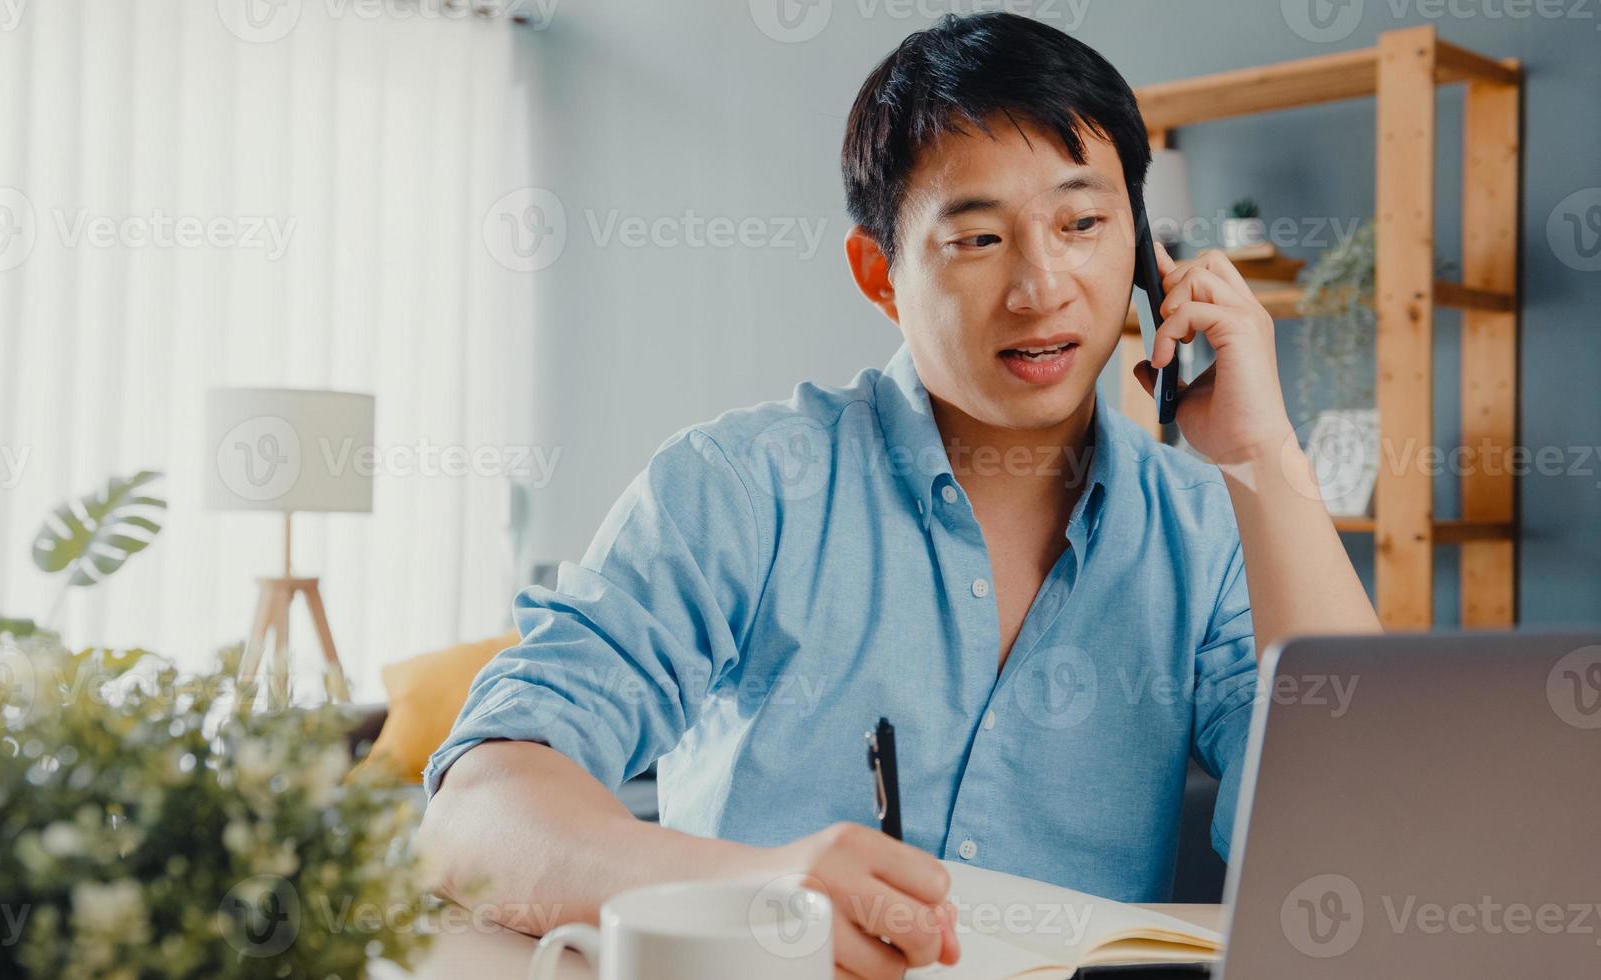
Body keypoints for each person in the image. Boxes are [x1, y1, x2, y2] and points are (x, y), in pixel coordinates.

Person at [419, 12, 1381, 979]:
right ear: (880, 274)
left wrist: (1264, 456)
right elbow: (475, 817)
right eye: (976, 238)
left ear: (1142, 253)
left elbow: (1367, 846)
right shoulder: (743, 489)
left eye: (1083, 224)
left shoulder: (1205, 529)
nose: (1041, 286)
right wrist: (752, 892)